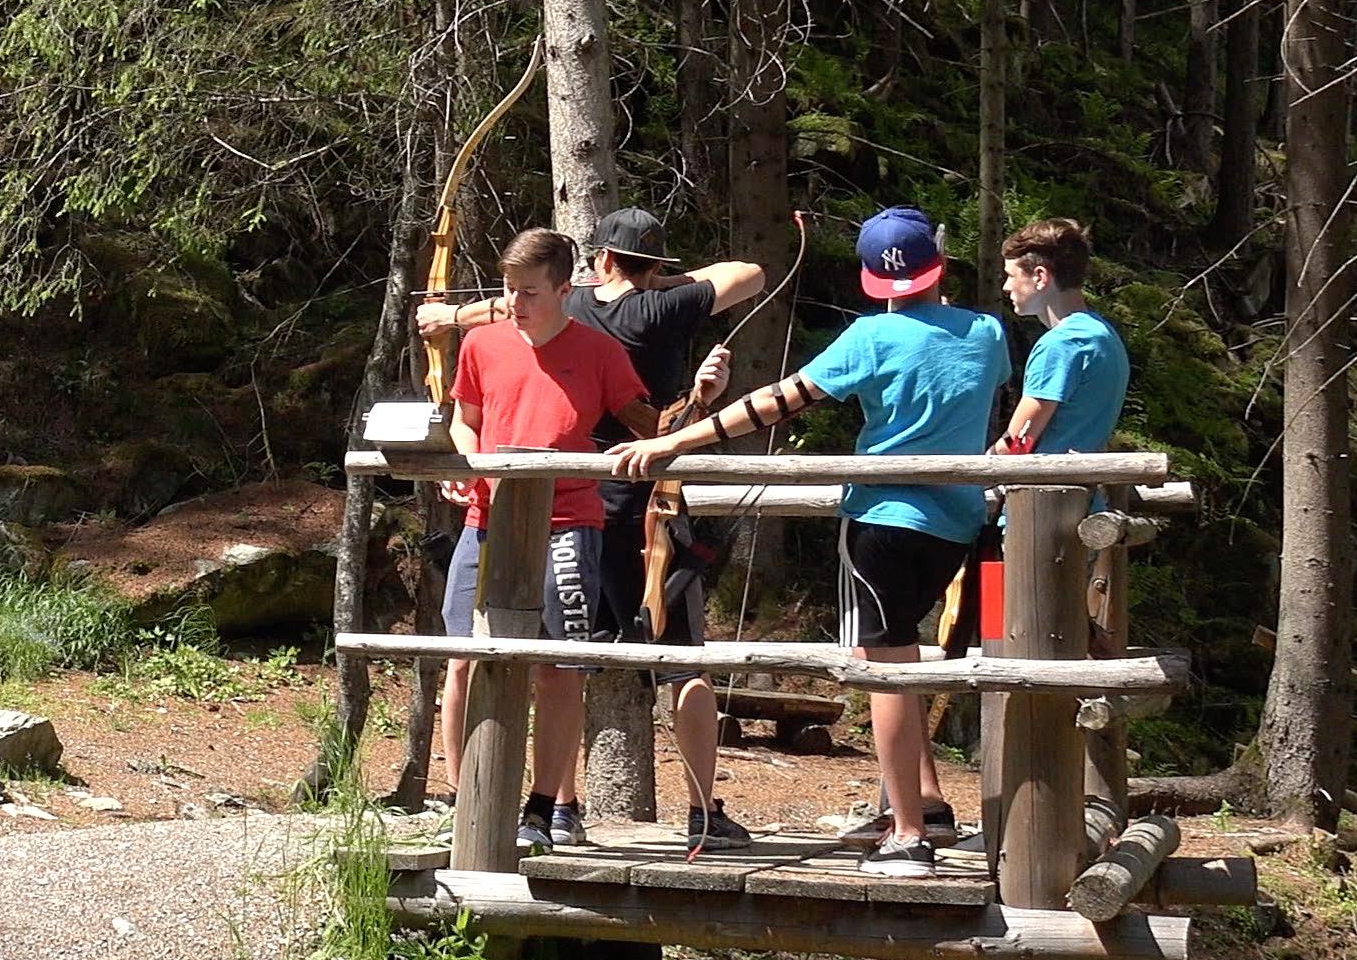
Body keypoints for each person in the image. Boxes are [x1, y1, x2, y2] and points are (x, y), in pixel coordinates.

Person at [612, 206, 1007, 878]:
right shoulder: (987, 332)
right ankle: (927, 804)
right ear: (937, 265)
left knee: (883, 671)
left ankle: (908, 836)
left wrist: (676, 439)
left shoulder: (870, 337)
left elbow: (777, 401)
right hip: (955, 526)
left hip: (881, 523)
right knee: (904, 663)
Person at [415, 228, 659, 853]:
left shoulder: (599, 352)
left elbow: (651, 426)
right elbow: (465, 422)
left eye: (529, 292)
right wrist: (464, 468)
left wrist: (700, 404)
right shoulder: (482, 343)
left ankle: (547, 806)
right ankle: (462, 798)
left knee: (559, 665)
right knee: (464, 655)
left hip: (569, 522)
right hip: (487, 520)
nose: (515, 303)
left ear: (563, 290)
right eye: (508, 289)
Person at [567, 208, 770, 852]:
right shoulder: (664, 306)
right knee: (686, 663)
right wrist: (666, 282)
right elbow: (749, 272)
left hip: (582, 506)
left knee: (568, 662)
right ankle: (704, 813)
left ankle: (557, 808)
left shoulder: (570, 306)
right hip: (651, 511)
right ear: (652, 266)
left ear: (602, 259)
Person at [995, 217, 1128, 454]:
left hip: (1051, 478)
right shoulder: (1104, 335)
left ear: (1040, 277)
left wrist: (985, 462)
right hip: (1086, 476)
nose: (1006, 286)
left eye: (1011, 276)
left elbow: (1019, 441)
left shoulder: (1061, 344)